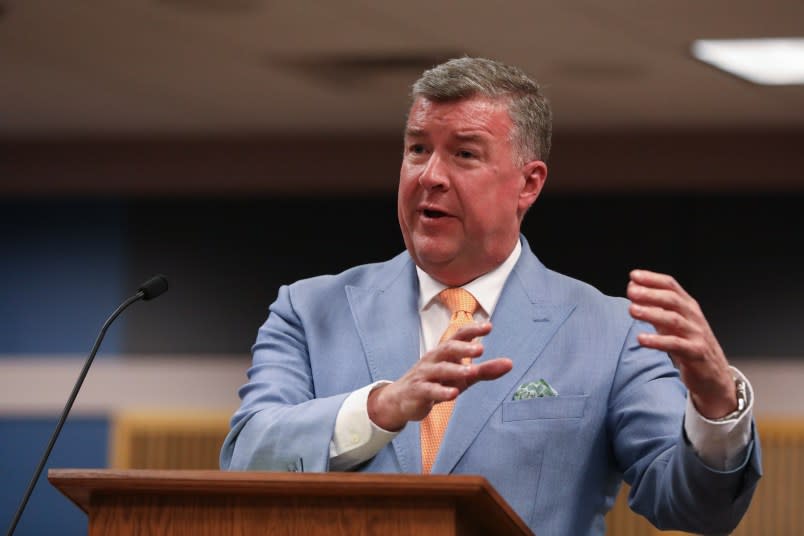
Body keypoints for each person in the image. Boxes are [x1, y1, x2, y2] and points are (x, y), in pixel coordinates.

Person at [221, 57, 761, 535]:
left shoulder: (612, 332)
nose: (430, 176)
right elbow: (246, 458)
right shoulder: (309, 310)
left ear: (528, 184)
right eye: (417, 149)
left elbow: (697, 510)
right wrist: (381, 407)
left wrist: (716, 405)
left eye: (464, 155)